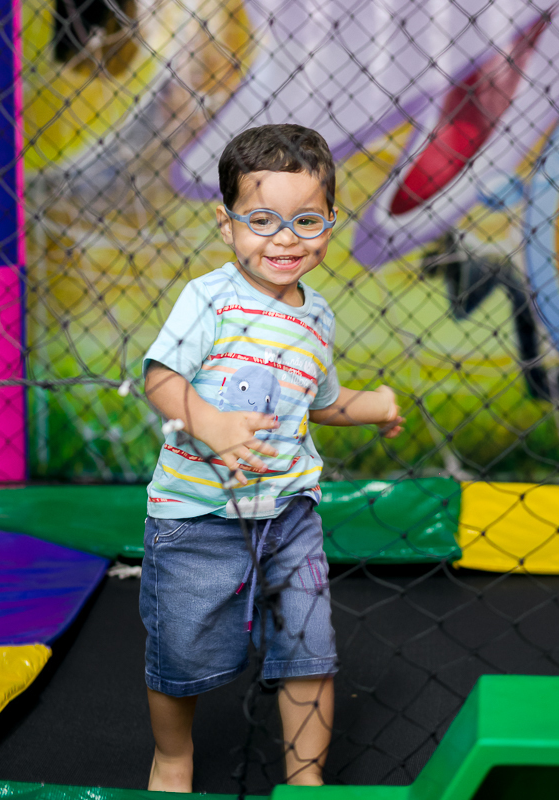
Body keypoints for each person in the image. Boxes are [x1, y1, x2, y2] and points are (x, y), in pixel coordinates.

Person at [140, 123, 404, 792]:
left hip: (289, 515)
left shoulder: (317, 317)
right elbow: (161, 379)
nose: (285, 238)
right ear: (227, 226)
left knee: (308, 653)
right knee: (180, 655)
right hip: (198, 517)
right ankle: (173, 757)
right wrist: (213, 424)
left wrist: (369, 405)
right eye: (263, 220)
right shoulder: (210, 298)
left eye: (306, 220)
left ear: (329, 224)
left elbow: (316, 401)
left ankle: (304, 780)